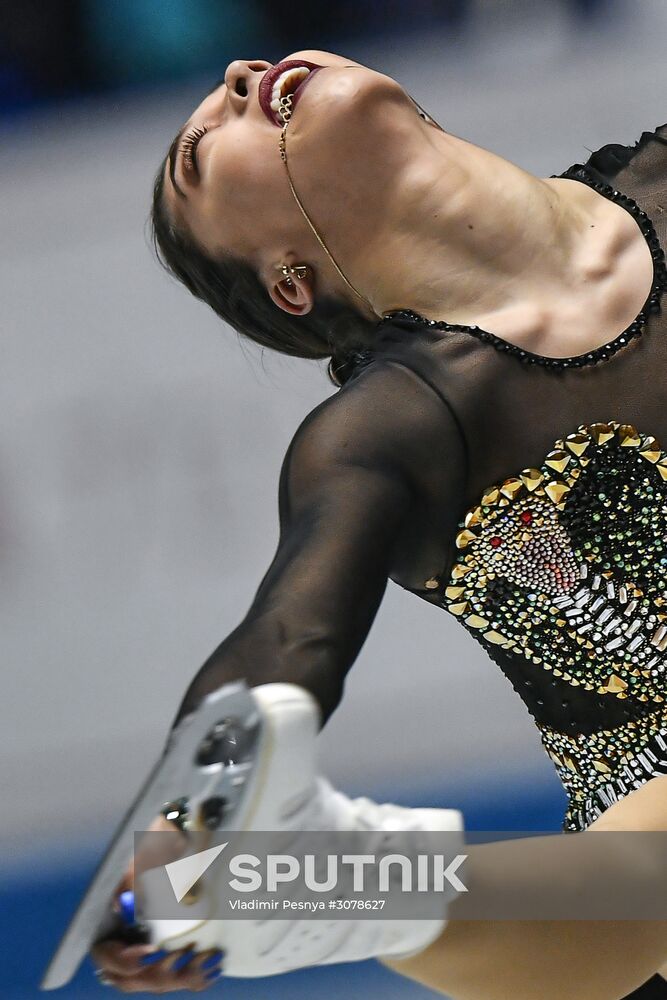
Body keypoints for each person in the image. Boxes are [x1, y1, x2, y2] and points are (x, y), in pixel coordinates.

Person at [92, 49, 667, 996]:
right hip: (629, 902)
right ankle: (314, 892)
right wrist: (200, 806)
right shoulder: (391, 428)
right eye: (201, 151)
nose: (240, 73)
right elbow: (288, 630)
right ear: (287, 281)